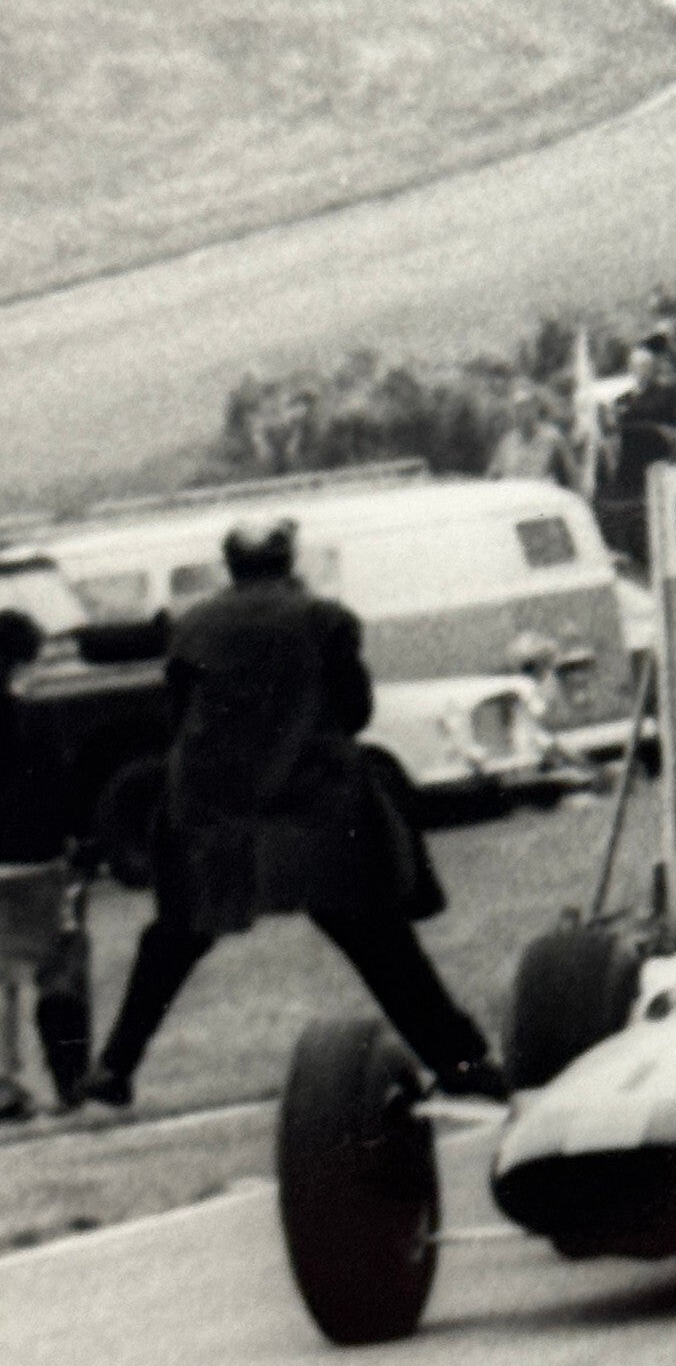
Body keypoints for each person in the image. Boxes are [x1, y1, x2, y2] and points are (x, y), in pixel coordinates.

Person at [75, 521, 506, 1108]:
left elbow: (176, 720)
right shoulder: (325, 619)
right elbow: (354, 712)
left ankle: (114, 1066)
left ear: (230, 565)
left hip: (212, 809)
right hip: (312, 804)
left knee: (173, 940)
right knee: (380, 941)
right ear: (288, 559)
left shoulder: (192, 627)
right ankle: (458, 1059)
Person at [0, 611, 93, 1119]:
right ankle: (70, 1082)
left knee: (2, 980)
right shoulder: (35, 721)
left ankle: (5, 1087)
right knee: (57, 970)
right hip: (37, 862)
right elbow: (63, 791)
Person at [486, 383, 577, 484]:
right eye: (517, 408)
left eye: (526, 406)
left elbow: (572, 477)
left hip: (541, 496)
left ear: (535, 407)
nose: (522, 412)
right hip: (513, 496)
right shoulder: (507, 443)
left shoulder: (552, 439)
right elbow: (492, 480)